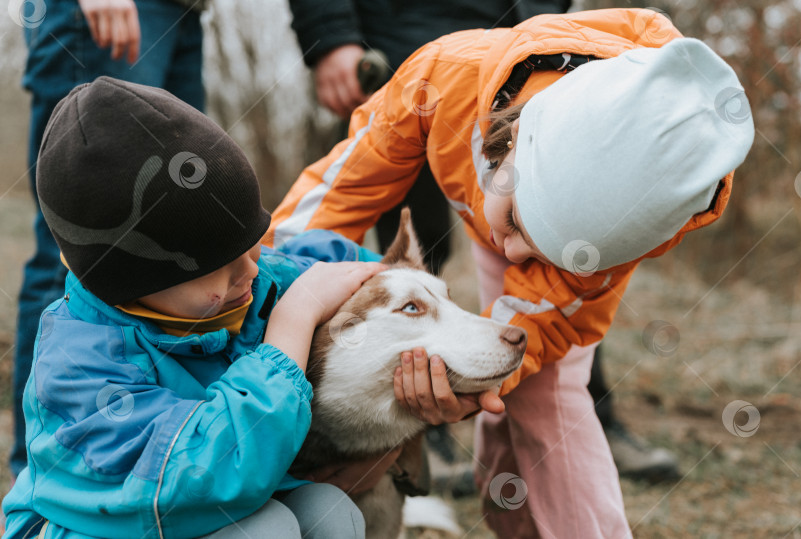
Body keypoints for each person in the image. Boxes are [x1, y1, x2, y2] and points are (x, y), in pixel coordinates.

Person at [266, 9, 755, 537]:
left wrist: (472, 391)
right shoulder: (440, 79)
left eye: (543, 248)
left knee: (544, 390)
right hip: (481, 162)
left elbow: (543, 324)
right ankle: (513, 515)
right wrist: (277, 286)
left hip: (553, 251)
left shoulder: (629, 227)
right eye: (518, 222)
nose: (514, 255)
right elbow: (344, 190)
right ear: (512, 141)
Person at [1, 77, 389, 539]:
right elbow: (203, 478)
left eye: (252, 242)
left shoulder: (246, 283)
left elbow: (334, 265)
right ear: (133, 283)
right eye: (221, 265)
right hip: (114, 520)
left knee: (329, 510)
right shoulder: (78, 369)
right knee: (264, 530)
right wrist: (293, 326)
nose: (250, 269)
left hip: (218, 501)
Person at [10, 0, 206, 488]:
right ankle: (44, 482)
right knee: (75, 256)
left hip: (184, 12)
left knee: (172, 241)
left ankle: (128, 470)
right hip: (108, 11)